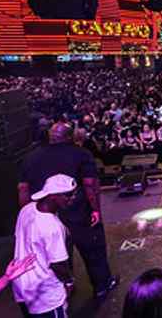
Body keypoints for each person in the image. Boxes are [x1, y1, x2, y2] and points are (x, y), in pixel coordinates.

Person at [17, 122, 119, 300]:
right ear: (70, 137)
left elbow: (23, 189)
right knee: (93, 250)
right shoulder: (81, 154)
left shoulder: (30, 158)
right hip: (78, 212)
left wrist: (27, 214)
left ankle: (65, 288)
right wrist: (95, 210)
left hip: (45, 215)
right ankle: (102, 285)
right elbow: (89, 184)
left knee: (57, 254)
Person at [13, 174, 77, 317]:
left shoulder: (26, 209)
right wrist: (69, 281)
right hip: (45, 294)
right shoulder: (52, 226)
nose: (72, 198)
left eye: (74, 194)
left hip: (22, 286)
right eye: (68, 195)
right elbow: (58, 264)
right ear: (53, 196)